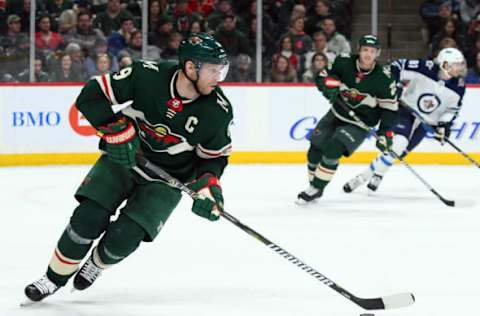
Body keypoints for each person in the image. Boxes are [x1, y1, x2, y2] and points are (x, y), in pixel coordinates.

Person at [23, 33, 233, 303]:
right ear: (191, 67)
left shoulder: (218, 110)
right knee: (87, 220)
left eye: (221, 70)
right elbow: (92, 95)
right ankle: (52, 279)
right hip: (125, 159)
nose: (219, 77)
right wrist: (116, 131)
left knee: (123, 238)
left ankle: (96, 264)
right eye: (214, 70)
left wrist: (208, 184)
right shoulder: (147, 75)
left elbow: (213, 157)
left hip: (168, 180)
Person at [344, 47, 466, 193]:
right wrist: (394, 85)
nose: (460, 67)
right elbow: (397, 66)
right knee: (398, 143)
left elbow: (452, 110)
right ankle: (362, 178)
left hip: (425, 124)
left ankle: (379, 173)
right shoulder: (424, 68)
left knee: (398, 153)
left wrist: (444, 125)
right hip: (406, 111)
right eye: (457, 64)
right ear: (445, 65)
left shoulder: (459, 86)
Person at [296, 34, 398, 204]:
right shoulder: (343, 62)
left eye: (372, 51)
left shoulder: (384, 78)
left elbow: (390, 109)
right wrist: (327, 89)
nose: (368, 54)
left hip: (360, 123)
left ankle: (316, 188)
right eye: (365, 50)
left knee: (333, 150)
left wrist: (385, 132)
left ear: (377, 54)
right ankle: (314, 185)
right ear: (359, 50)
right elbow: (322, 76)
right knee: (314, 149)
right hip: (336, 113)